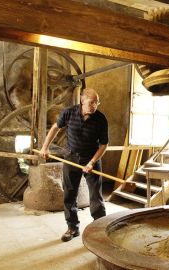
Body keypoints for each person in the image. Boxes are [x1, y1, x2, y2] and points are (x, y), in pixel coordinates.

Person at [40, 88, 108, 242]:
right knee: (70, 194)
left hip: (92, 159)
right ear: (82, 101)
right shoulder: (69, 113)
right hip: (71, 157)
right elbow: (55, 128)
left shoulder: (101, 119)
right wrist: (45, 147)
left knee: (96, 195)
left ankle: (99, 228)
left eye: (97, 103)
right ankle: (72, 228)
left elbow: (104, 144)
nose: (94, 106)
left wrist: (92, 162)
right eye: (91, 102)